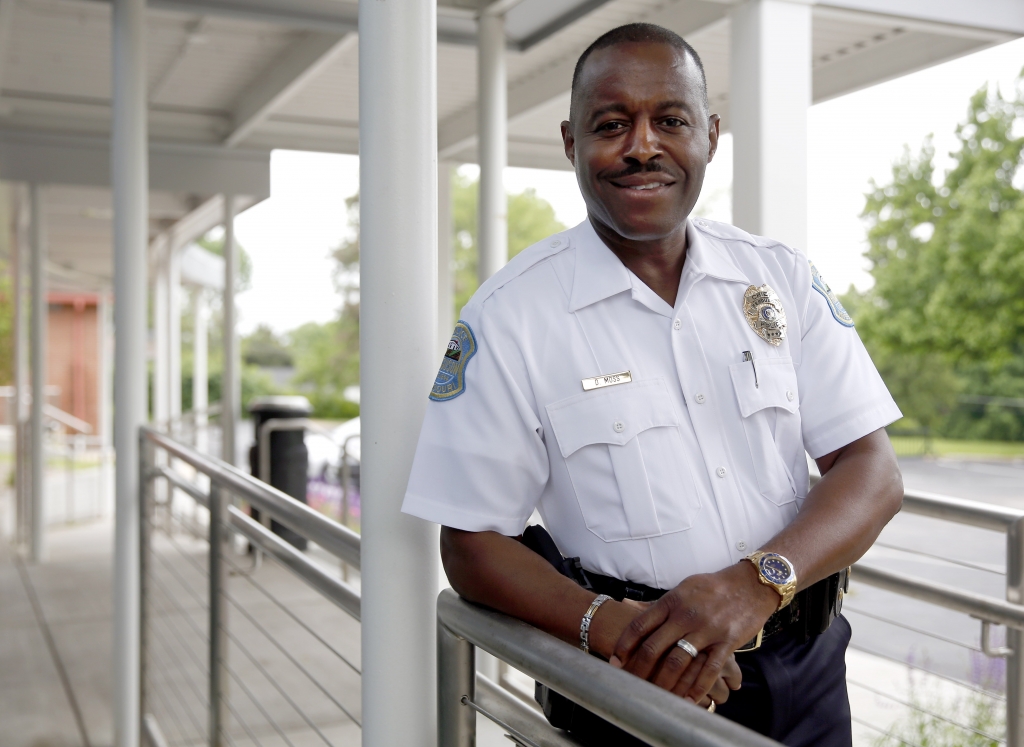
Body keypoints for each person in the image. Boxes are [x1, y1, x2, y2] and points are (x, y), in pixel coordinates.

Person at [402, 22, 904, 747]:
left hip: (808, 664)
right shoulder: (512, 315)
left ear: (710, 135)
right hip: (631, 685)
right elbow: (472, 540)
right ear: (572, 143)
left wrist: (755, 584)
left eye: (670, 120)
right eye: (612, 124)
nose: (643, 145)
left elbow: (873, 469)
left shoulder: (778, 278)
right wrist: (616, 630)